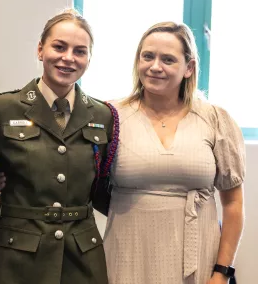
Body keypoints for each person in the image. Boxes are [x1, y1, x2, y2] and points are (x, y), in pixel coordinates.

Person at [103, 22, 245, 284]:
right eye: (148, 56)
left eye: (168, 59)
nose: (155, 66)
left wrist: (222, 273)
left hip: (198, 263)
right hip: (127, 259)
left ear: (189, 68)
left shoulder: (215, 119)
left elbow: (233, 204)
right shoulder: (111, 115)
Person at [0, 9, 117, 284]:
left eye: (80, 51)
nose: (68, 58)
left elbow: (105, 185)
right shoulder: (1, 109)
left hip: (82, 257)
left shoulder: (103, 115)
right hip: (17, 256)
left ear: (89, 59)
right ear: (40, 49)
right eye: (59, 47)